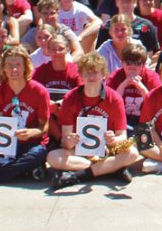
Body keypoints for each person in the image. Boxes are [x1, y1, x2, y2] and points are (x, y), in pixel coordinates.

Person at [47, 52, 141, 189]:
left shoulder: (114, 98)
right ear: (81, 75)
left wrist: (113, 140)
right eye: (87, 73)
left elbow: (122, 135)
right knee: (53, 157)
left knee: (132, 153)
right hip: (80, 151)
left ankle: (77, 176)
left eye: (95, 72)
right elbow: (65, 141)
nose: (91, 77)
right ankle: (109, 169)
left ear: (104, 75)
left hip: (106, 150)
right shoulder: (70, 98)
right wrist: (69, 140)